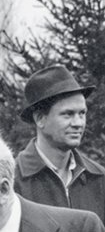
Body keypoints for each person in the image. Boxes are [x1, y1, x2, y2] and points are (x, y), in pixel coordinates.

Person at [13, 65, 105, 223]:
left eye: (82, 113)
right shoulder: (14, 180)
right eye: (68, 114)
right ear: (40, 119)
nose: (78, 123)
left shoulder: (99, 177)